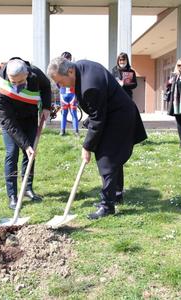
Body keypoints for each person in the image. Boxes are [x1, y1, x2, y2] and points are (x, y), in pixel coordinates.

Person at [47, 57, 147, 219]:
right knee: (111, 157)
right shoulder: (80, 67)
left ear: (70, 71)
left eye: (59, 81)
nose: (60, 86)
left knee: (106, 159)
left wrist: (87, 147)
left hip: (119, 117)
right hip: (112, 112)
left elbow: (97, 119)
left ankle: (107, 205)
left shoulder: (89, 86)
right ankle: (115, 194)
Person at [0, 58, 51, 210]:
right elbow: (7, 119)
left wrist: (46, 107)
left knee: (30, 154)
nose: (16, 86)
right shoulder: (1, 86)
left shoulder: (35, 73)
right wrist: (25, 144)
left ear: (27, 74)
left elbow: (46, 87)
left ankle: (27, 188)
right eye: (13, 82)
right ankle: (12, 194)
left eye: (20, 82)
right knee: (12, 153)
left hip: (30, 118)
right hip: (11, 122)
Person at [58, 52, 79, 136]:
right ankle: (62, 131)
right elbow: (57, 81)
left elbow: (77, 81)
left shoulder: (74, 69)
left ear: (70, 59)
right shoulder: (59, 70)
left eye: (68, 58)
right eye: (64, 59)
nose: (66, 60)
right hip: (63, 95)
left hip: (72, 95)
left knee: (74, 114)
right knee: (64, 114)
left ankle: (76, 132)